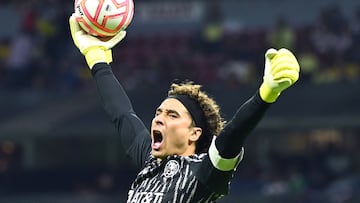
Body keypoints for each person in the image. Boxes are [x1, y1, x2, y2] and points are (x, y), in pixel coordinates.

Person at [69, 13, 300, 203]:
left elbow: (233, 135)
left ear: (194, 133)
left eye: (171, 115)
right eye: (158, 113)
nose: (159, 118)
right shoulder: (151, 161)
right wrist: (96, 58)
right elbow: (121, 114)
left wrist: (266, 93)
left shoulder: (205, 173)